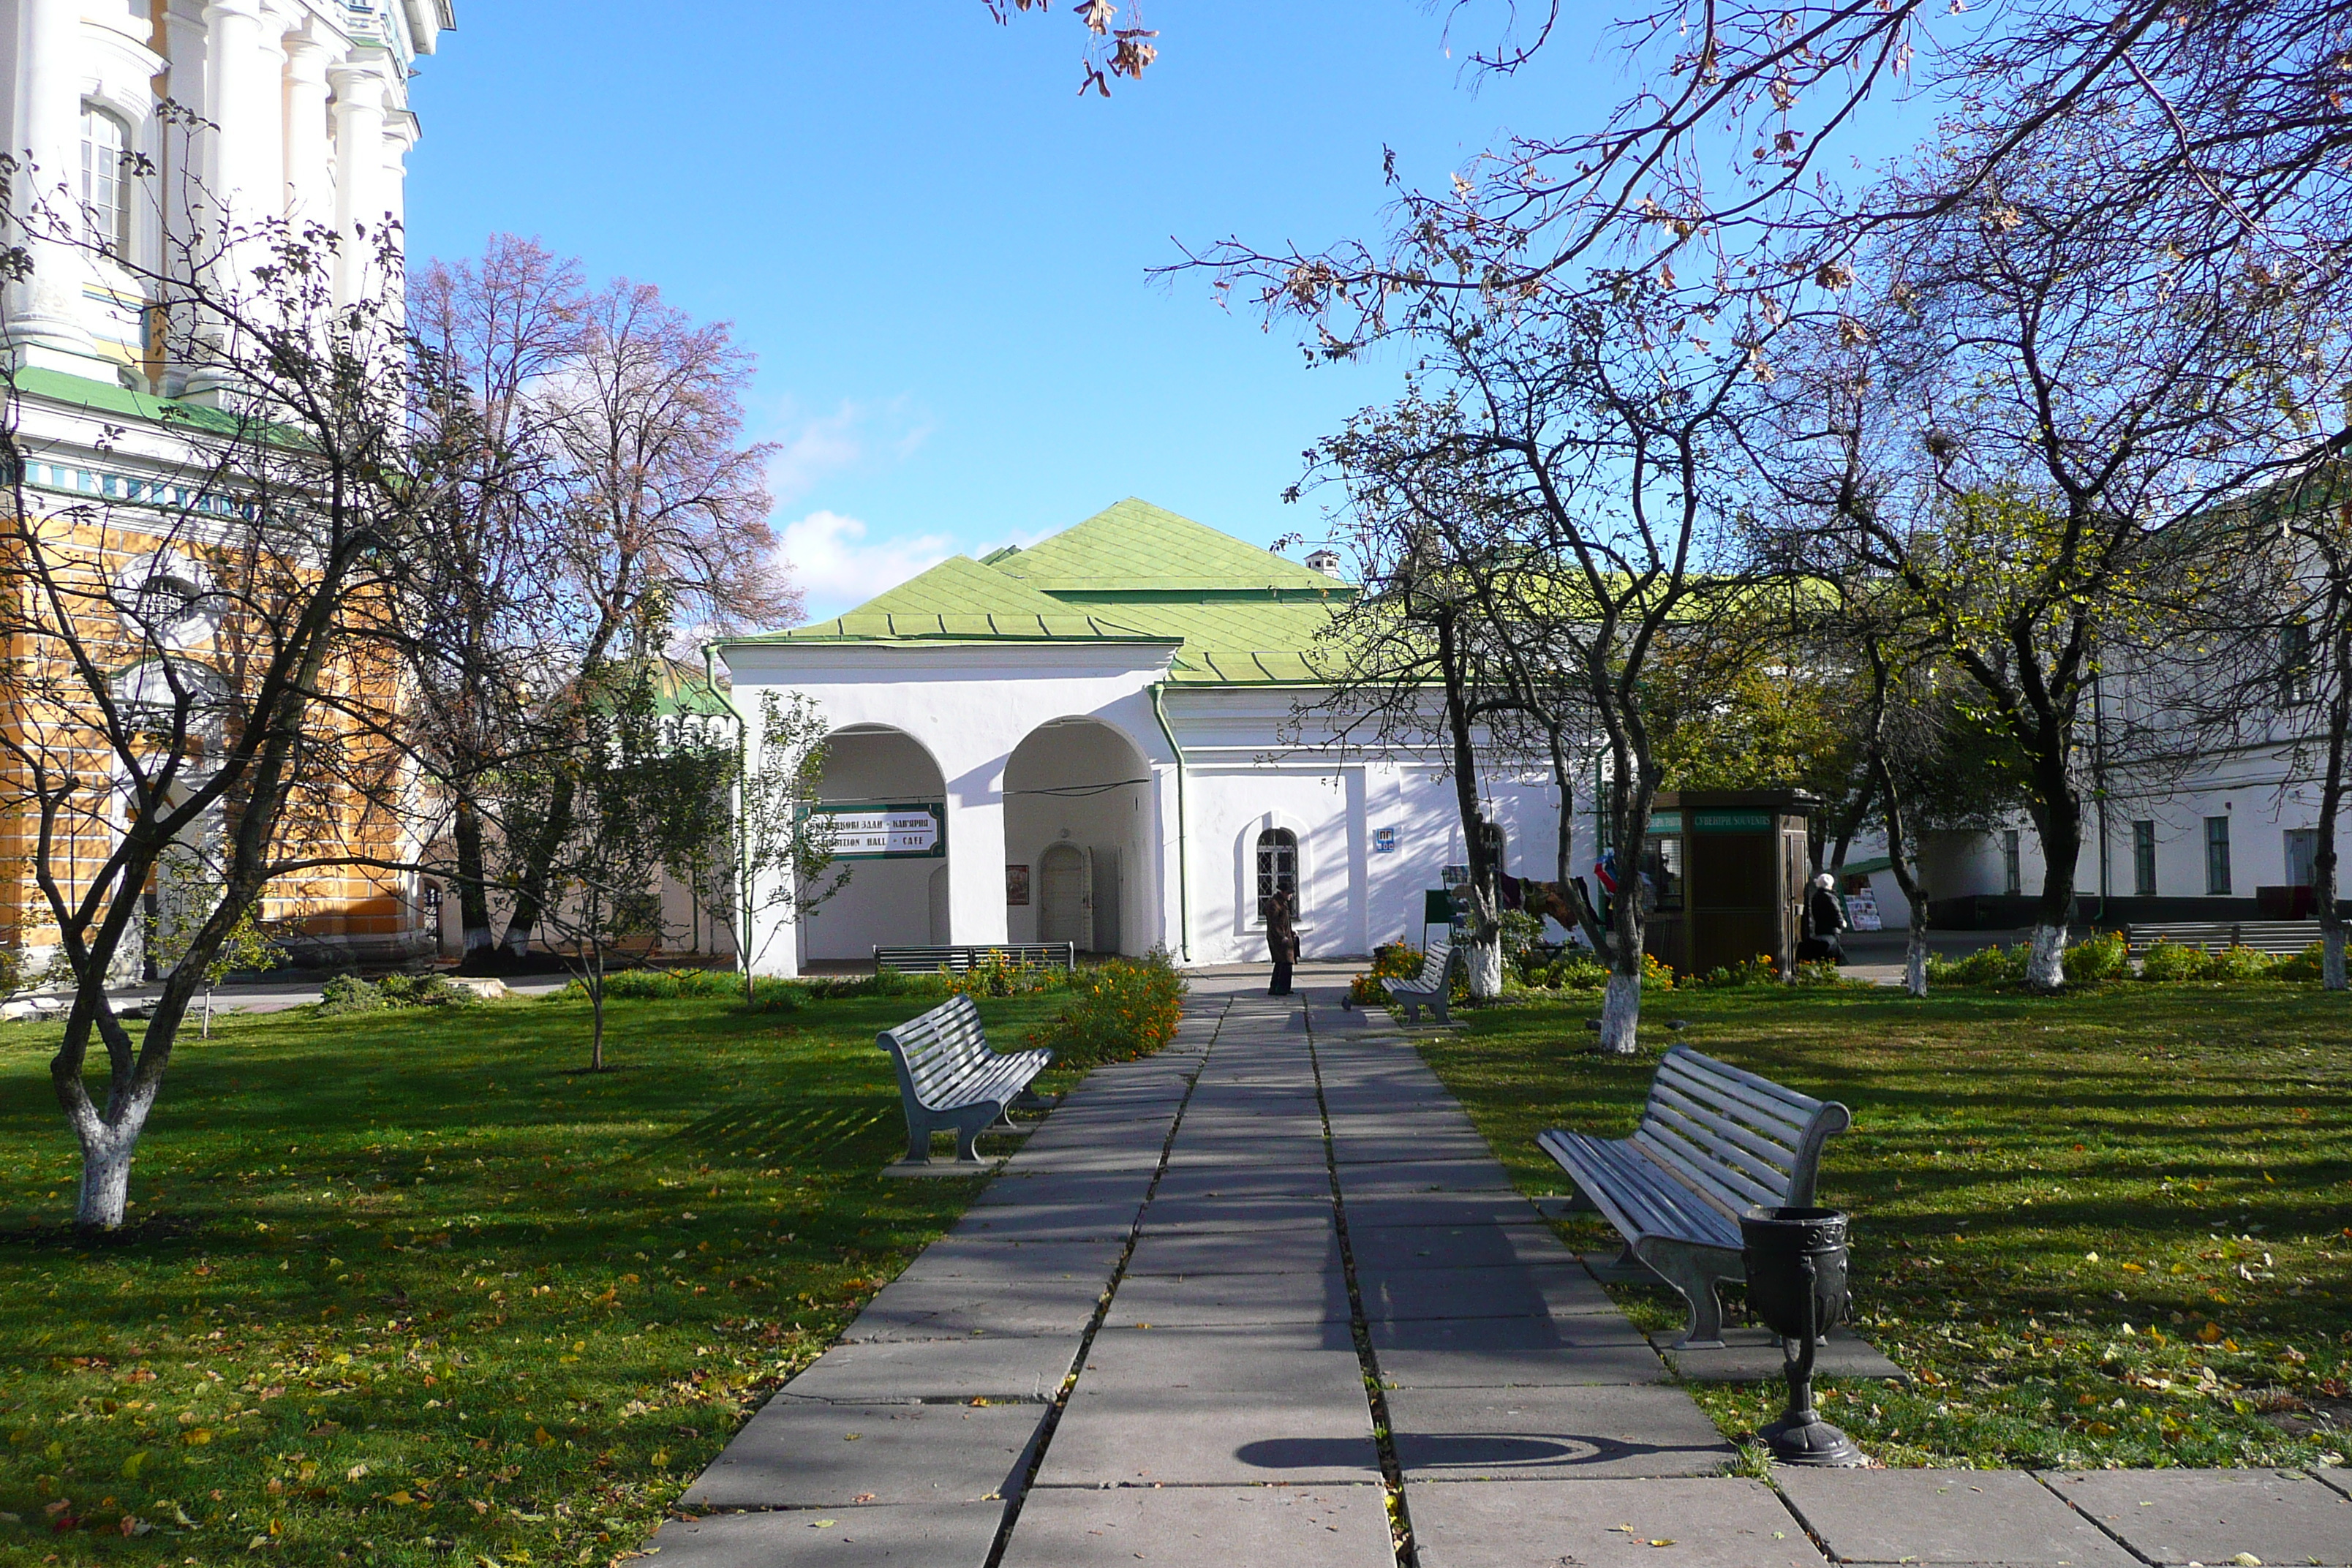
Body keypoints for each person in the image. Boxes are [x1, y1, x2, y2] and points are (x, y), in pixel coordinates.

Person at [1801, 871, 1847, 965]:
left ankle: (1824, 967)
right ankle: (1830, 969)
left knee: (1822, 952)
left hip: (1820, 928)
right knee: (1832, 951)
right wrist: (1842, 922)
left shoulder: (1816, 897)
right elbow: (1836, 911)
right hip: (1832, 929)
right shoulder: (1830, 897)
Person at [1265, 889, 1300, 996]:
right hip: (1278, 938)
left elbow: (1284, 922)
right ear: (1283, 893)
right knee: (1283, 962)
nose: (1290, 896)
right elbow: (1274, 923)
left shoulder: (1282, 903)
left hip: (1285, 936)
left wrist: (1290, 932)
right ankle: (1279, 989)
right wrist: (1282, 936)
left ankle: (1282, 988)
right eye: (1289, 893)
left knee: (1285, 962)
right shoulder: (1275, 904)